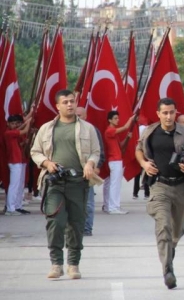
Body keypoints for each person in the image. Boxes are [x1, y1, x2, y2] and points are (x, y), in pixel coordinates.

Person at [31, 89, 102, 279]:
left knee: (76, 224)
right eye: (65, 102)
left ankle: (73, 263)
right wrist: (47, 163)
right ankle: (56, 263)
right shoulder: (46, 129)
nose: (70, 105)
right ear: (58, 106)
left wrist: (90, 163)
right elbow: (35, 151)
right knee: (55, 221)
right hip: (54, 182)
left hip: (78, 182)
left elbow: (96, 151)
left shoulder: (88, 128)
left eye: (72, 101)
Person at [136, 98, 184, 289]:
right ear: (158, 114)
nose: (168, 116)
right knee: (163, 226)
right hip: (160, 186)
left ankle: (170, 248)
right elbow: (138, 149)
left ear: (176, 113)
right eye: (164, 112)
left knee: (176, 229)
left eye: (171, 112)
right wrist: (143, 163)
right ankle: (168, 270)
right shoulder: (150, 132)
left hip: (182, 187)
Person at [74, 107, 105, 237]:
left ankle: (87, 228)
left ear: (86, 116)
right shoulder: (65, 129)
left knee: (88, 203)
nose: (77, 117)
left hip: (87, 172)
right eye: (76, 115)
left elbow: (99, 151)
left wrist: (96, 166)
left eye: (80, 115)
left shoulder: (92, 130)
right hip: (70, 172)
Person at [102, 111, 134, 215]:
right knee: (115, 185)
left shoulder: (113, 133)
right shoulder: (109, 131)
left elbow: (120, 145)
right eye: (115, 118)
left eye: (118, 118)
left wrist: (128, 137)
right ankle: (113, 207)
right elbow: (125, 127)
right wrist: (131, 119)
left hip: (116, 160)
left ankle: (109, 206)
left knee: (112, 184)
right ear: (109, 120)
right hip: (115, 161)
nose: (117, 120)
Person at [4, 113, 33, 215]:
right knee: (14, 186)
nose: (15, 125)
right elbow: (24, 130)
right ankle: (10, 208)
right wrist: (28, 122)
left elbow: (20, 143)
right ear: (8, 124)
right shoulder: (9, 133)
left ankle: (17, 206)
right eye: (13, 123)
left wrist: (26, 123)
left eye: (17, 123)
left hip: (19, 161)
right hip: (14, 162)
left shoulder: (13, 133)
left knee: (20, 185)